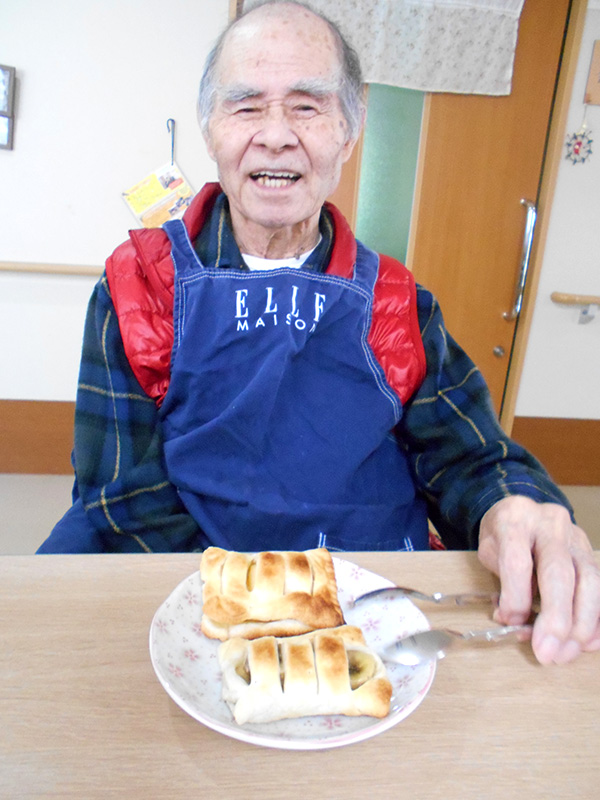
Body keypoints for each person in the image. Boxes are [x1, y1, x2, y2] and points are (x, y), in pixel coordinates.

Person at [38, 0, 599, 665]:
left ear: (349, 131)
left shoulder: (396, 303)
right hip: (197, 596)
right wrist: (247, 610)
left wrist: (514, 506)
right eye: (246, 107)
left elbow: (470, 456)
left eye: (307, 106)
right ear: (211, 129)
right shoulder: (139, 286)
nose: (275, 135)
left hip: (360, 601)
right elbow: (124, 495)